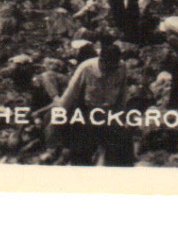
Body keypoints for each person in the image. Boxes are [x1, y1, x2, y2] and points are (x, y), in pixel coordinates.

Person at [49, 35, 134, 166]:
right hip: (87, 113)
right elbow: (70, 95)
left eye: (114, 68)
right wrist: (59, 120)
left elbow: (122, 95)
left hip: (109, 114)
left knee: (121, 149)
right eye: (108, 67)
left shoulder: (121, 67)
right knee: (80, 153)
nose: (111, 71)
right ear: (101, 60)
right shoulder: (86, 68)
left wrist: (121, 117)